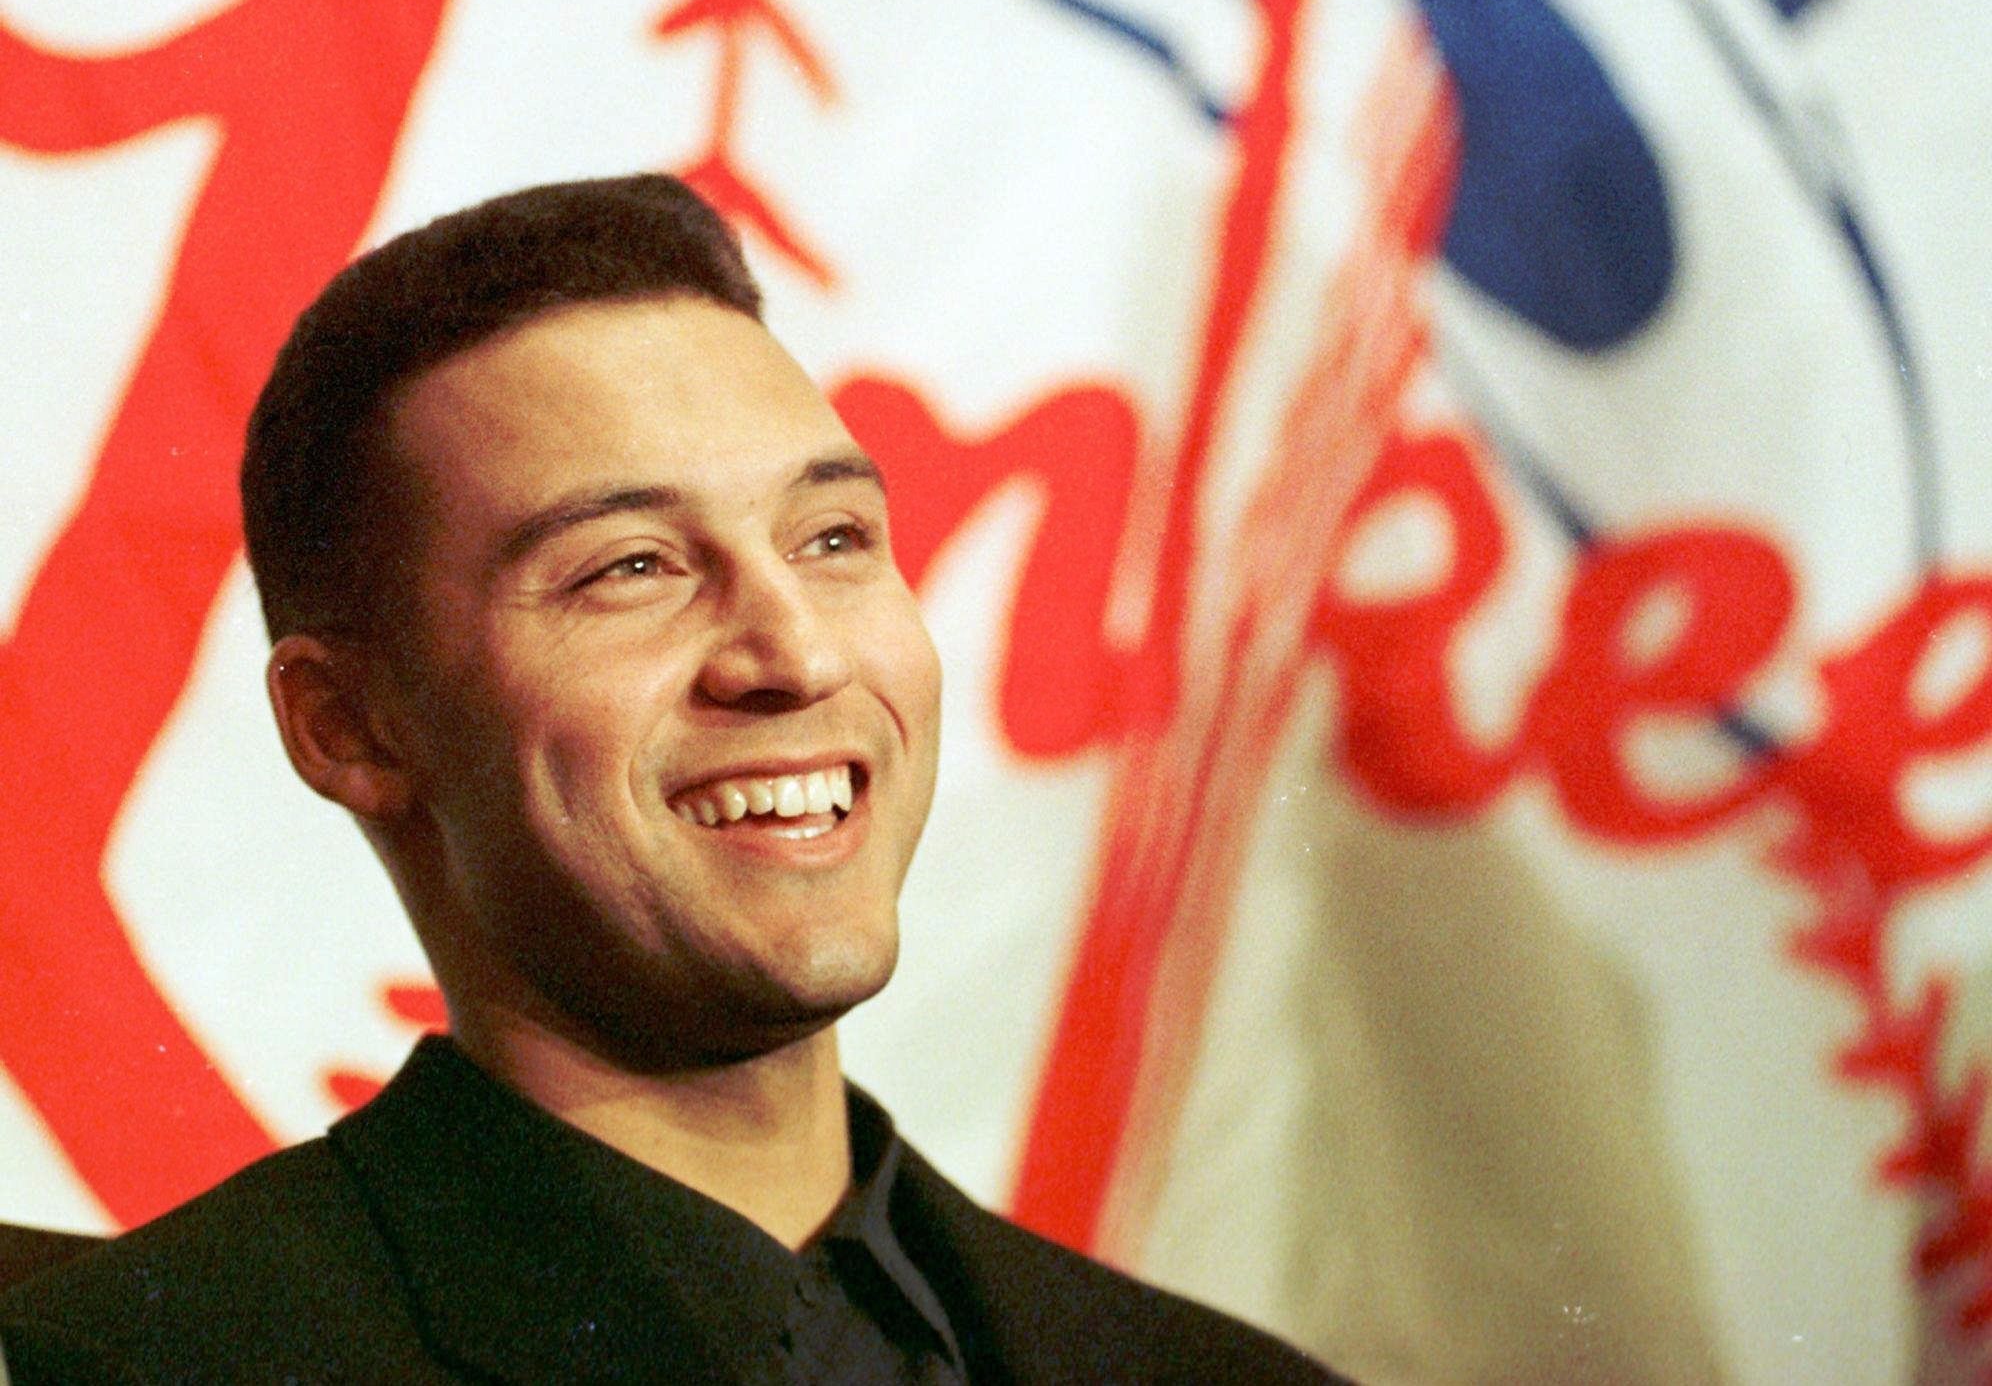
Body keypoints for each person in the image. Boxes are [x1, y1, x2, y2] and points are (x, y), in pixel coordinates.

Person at [0, 174, 1344, 1383]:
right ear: (350, 726)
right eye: (631, 567)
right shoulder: (134, 1362)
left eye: (833, 537)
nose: (798, 653)